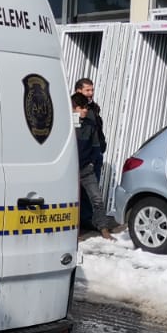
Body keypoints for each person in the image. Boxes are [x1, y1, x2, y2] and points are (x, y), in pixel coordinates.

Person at [72, 92, 118, 239]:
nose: (85, 110)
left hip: (86, 169)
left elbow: (96, 146)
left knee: (97, 198)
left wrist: (92, 163)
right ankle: (73, 231)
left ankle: (103, 228)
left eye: (86, 107)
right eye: (82, 108)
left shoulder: (90, 126)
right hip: (69, 171)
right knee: (72, 201)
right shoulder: (65, 124)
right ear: (74, 108)